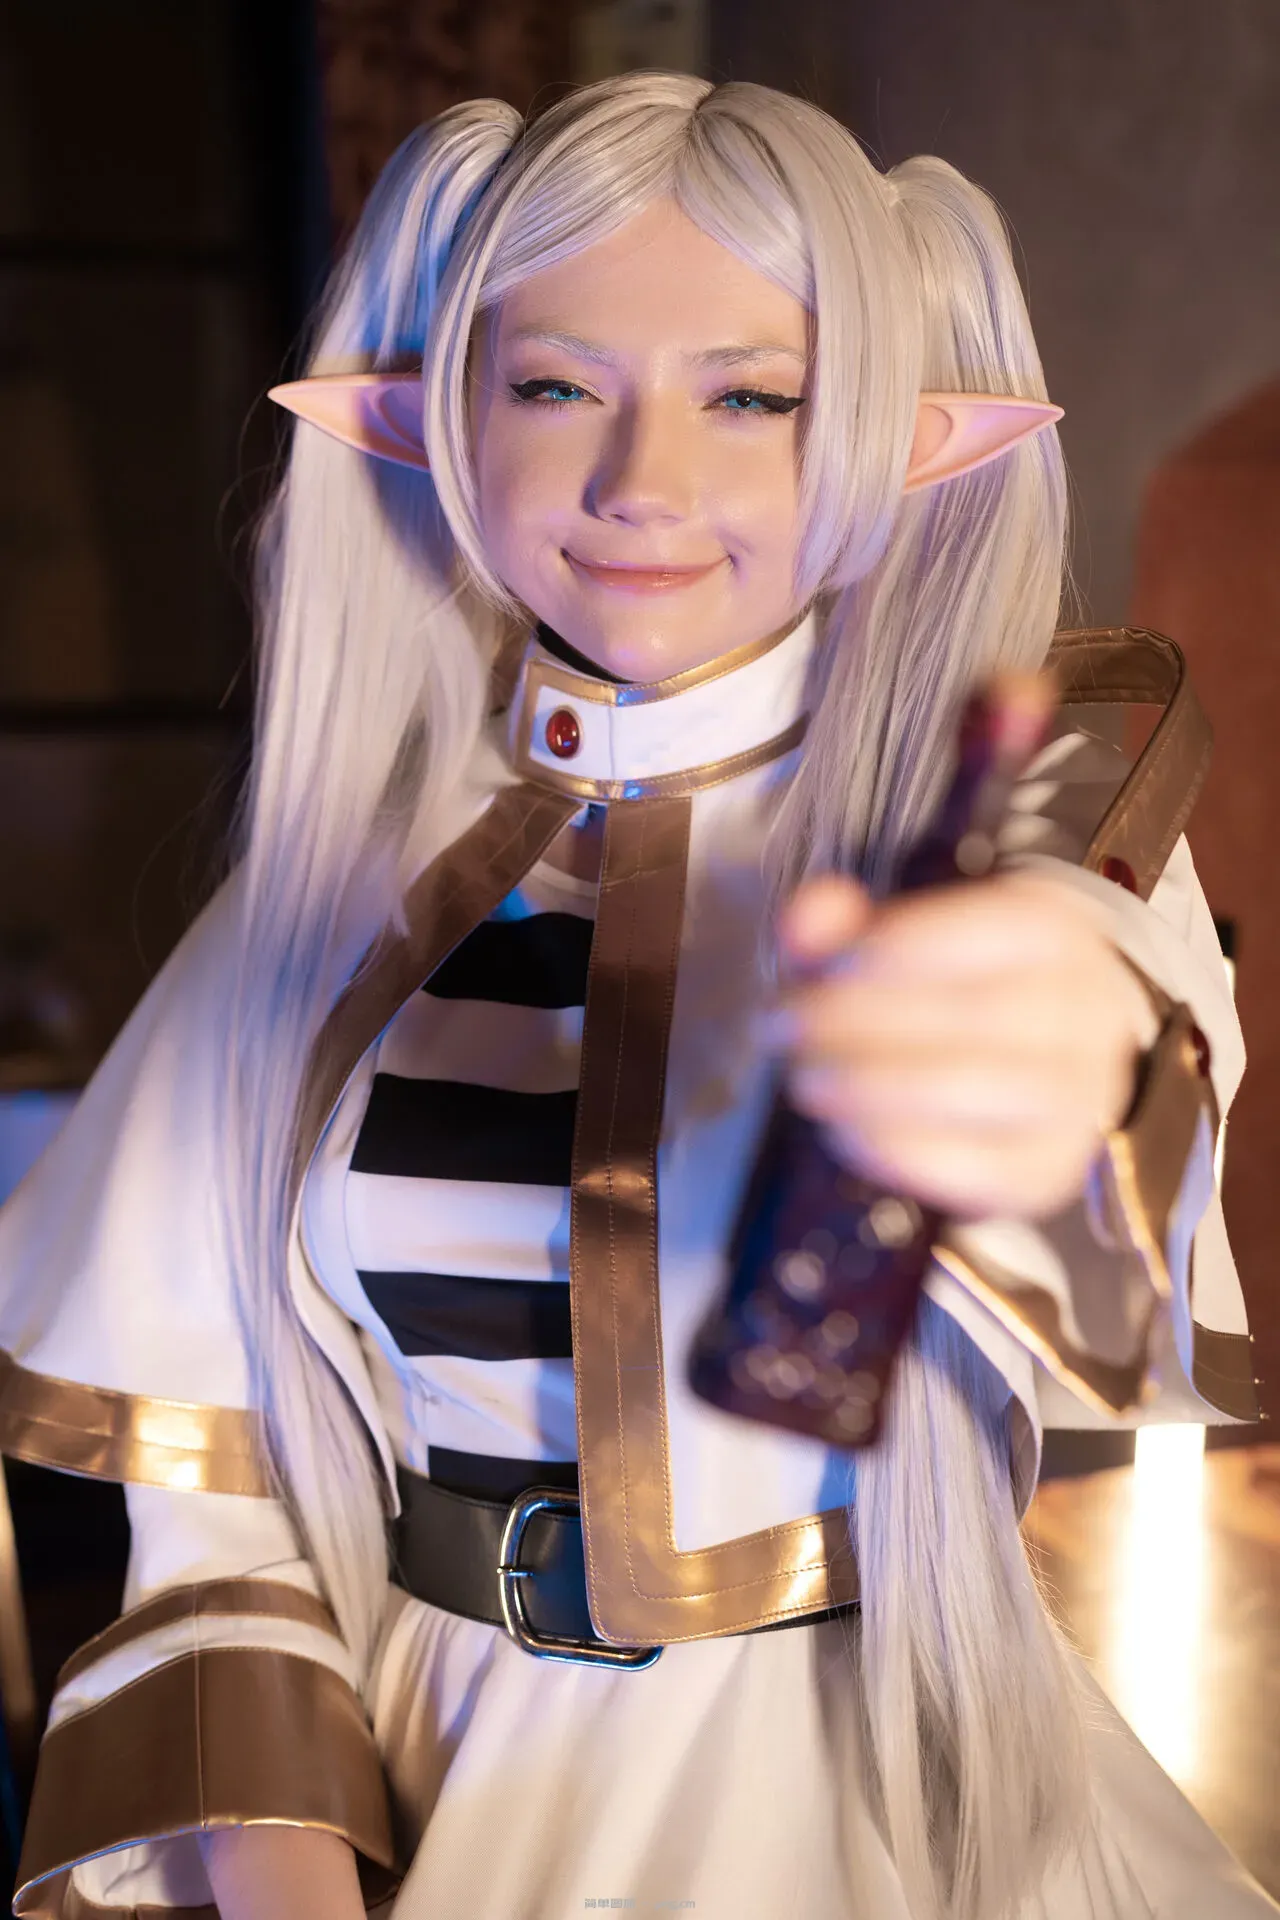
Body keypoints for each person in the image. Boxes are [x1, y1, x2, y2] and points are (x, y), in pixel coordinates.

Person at [0, 71, 1272, 1920]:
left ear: (907, 440)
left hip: (869, 1788)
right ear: (429, 416)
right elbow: (203, 1473)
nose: (642, 485)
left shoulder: (1024, 831)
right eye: (554, 386)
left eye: (753, 397)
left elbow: (1105, 1071)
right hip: (421, 1769)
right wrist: (281, 1856)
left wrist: (1041, 1067)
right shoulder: (332, 894)